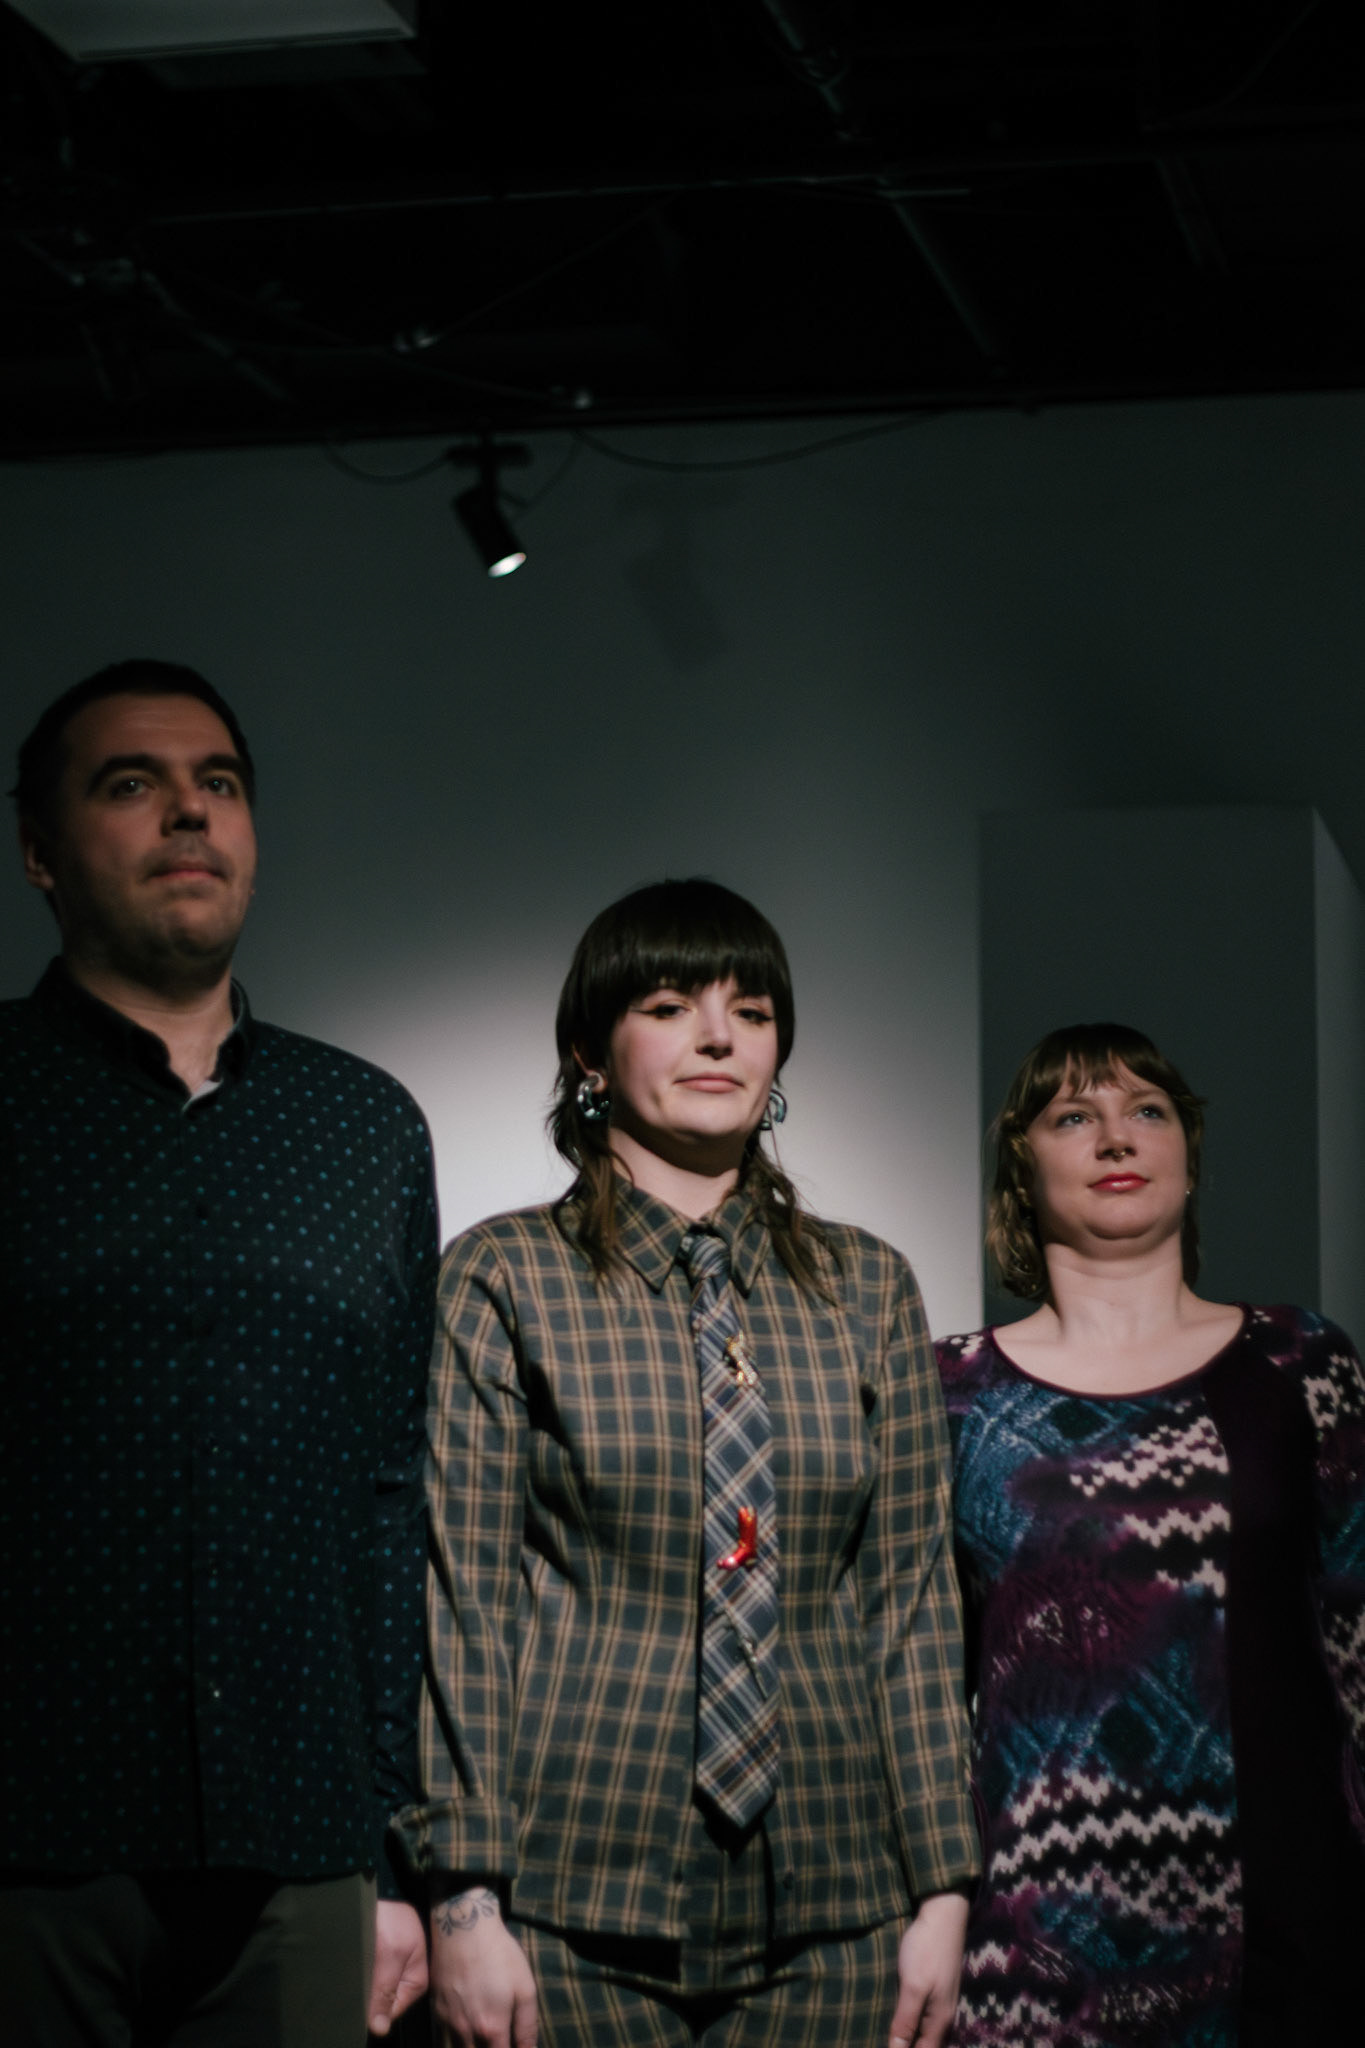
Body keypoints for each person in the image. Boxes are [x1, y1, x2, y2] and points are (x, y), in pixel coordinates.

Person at [395, 877, 978, 2048]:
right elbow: (462, 1601)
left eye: (750, 1011)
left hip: (838, 1907)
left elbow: (911, 1603)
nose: (719, 1036)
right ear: (590, 1052)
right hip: (569, 1901)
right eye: (670, 1005)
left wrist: (944, 1886)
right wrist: (463, 1894)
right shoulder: (504, 1276)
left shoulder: (869, 1285)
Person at [0, 660, 439, 2047]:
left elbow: (390, 1498)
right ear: (40, 852)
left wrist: (391, 1851)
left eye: (222, 784)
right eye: (132, 783)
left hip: (296, 1841)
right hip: (27, 1838)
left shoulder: (366, 1126)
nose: (190, 812)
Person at [935, 1022, 1365, 2048]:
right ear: (1020, 1166)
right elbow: (920, 1684)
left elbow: (1357, 1641)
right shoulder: (949, 1390)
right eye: (1072, 1117)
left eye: (1147, 1110)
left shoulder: (1299, 1361)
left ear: (1189, 1152)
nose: (1116, 1137)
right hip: (1038, 1947)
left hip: (1289, 1924)